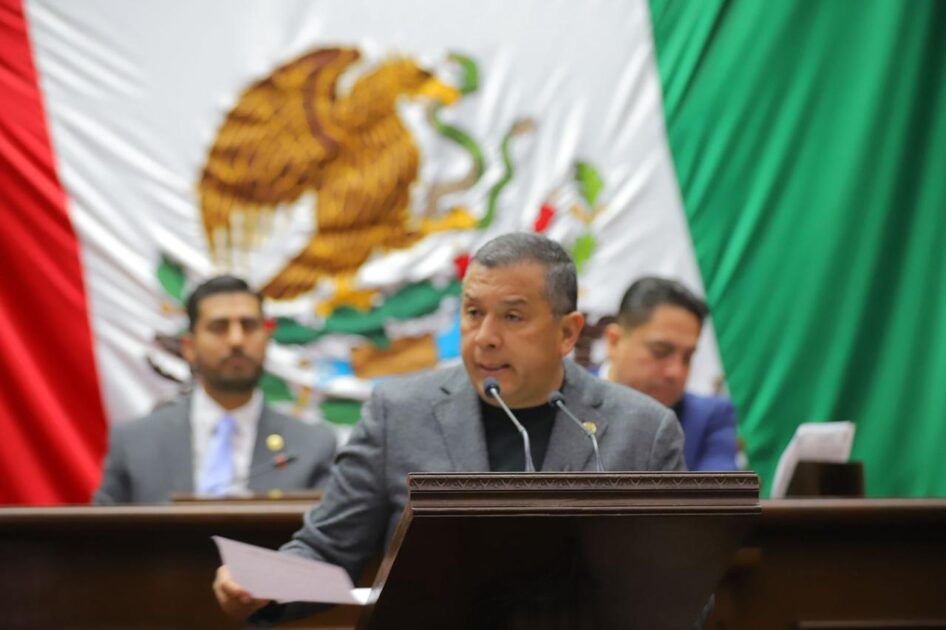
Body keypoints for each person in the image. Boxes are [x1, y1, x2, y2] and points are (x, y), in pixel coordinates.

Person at [213, 232, 686, 623]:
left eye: (513, 316)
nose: (485, 338)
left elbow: (683, 590)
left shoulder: (643, 431)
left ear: (567, 333)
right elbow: (327, 547)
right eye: (473, 313)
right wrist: (262, 582)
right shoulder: (399, 414)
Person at [93, 275, 336, 504]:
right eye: (219, 327)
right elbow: (101, 532)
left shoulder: (311, 446)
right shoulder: (135, 442)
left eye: (249, 325)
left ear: (267, 338)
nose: (236, 340)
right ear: (189, 347)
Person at [602, 277, 738, 472]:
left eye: (687, 357)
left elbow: (719, 488)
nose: (676, 372)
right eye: (660, 351)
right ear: (614, 341)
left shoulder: (709, 418)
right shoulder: (567, 399)